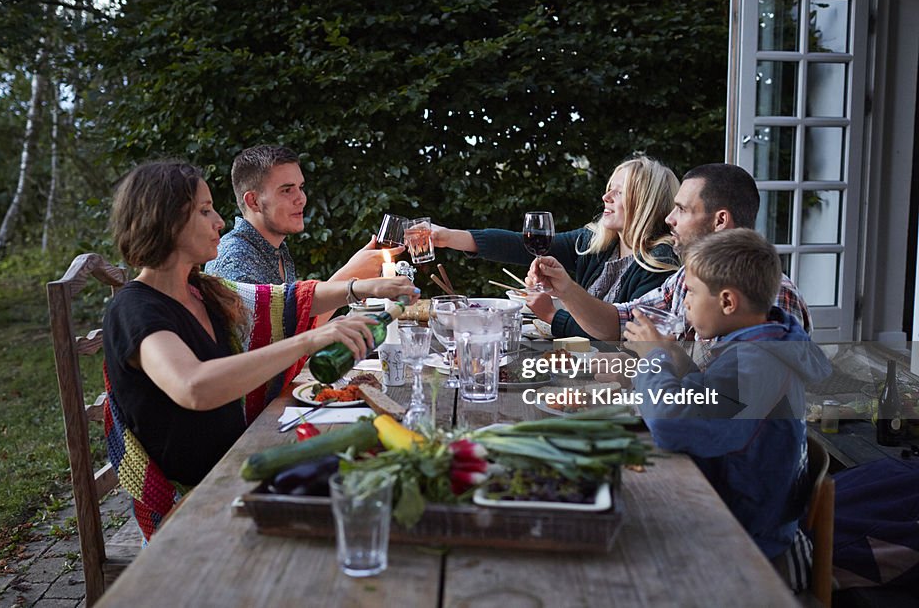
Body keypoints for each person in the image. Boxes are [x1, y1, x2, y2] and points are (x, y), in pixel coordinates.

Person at [103, 161, 418, 493]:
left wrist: (366, 287)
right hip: (191, 496)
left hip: (239, 462)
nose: (220, 221)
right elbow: (193, 387)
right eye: (205, 211)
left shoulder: (201, 289)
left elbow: (286, 301)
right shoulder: (135, 309)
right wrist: (310, 340)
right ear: (166, 221)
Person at [623, 228, 831, 577]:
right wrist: (677, 360)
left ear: (728, 302)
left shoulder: (757, 361)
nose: (685, 302)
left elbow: (675, 424)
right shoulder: (757, 345)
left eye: (690, 292)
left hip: (745, 537)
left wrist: (653, 359)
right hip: (737, 507)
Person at [531, 163, 812, 342]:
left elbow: (750, 404)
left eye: (682, 210)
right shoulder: (684, 280)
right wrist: (565, 288)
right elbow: (621, 323)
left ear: (720, 221)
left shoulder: (772, 294)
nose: (669, 219)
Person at [432, 156, 680, 338]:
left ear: (647, 202)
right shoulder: (595, 242)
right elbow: (521, 244)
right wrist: (449, 237)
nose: (606, 197)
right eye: (609, 189)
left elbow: (619, 335)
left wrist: (552, 315)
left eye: (620, 192)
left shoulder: (659, 262)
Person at [204, 144, 396, 301]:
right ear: (253, 201)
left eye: (301, 187)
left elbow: (293, 329)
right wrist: (351, 275)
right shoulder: (234, 259)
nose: (301, 199)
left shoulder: (277, 250)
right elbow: (271, 343)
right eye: (287, 190)